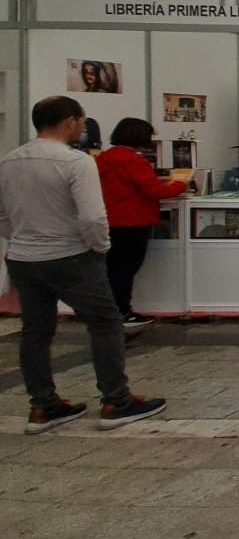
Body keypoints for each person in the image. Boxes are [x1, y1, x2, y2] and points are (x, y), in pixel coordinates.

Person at [0, 96, 165, 434]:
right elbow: (92, 216)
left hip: (23, 257)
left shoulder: (9, 161)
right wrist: (100, 247)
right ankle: (116, 401)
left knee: (35, 332)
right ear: (70, 122)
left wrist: (23, 237)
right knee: (106, 324)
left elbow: (2, 217)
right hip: (71, 255)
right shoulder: (76, 162)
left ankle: (42, 406)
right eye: (81, 121)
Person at [96, 118, 190, 330]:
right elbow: (156, 191)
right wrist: (180, 185)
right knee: (126, 270)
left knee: (112, 270)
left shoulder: (102, 159)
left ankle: (111, 312)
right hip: (133, 222)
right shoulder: (134, 162)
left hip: (108, 222)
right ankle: (122, 312)